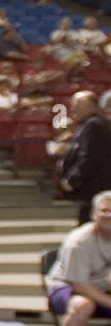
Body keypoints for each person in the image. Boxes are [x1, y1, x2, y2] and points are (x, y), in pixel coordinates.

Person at [44, 191, 111, 326]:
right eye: (104, 210)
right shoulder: (79, 242)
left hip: (100, 286)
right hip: (66, 287)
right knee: (83, 305)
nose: (109, 215)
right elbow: (79, 285)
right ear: (93, 214)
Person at [58, 91, 111, 225]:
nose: (73, 108)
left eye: (77, 105)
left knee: (89, 224)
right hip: (91, 187)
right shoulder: (87, 125)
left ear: (91, 106)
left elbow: (90, 155)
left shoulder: (94, 125)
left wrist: (73, 177)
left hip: (94, 187)